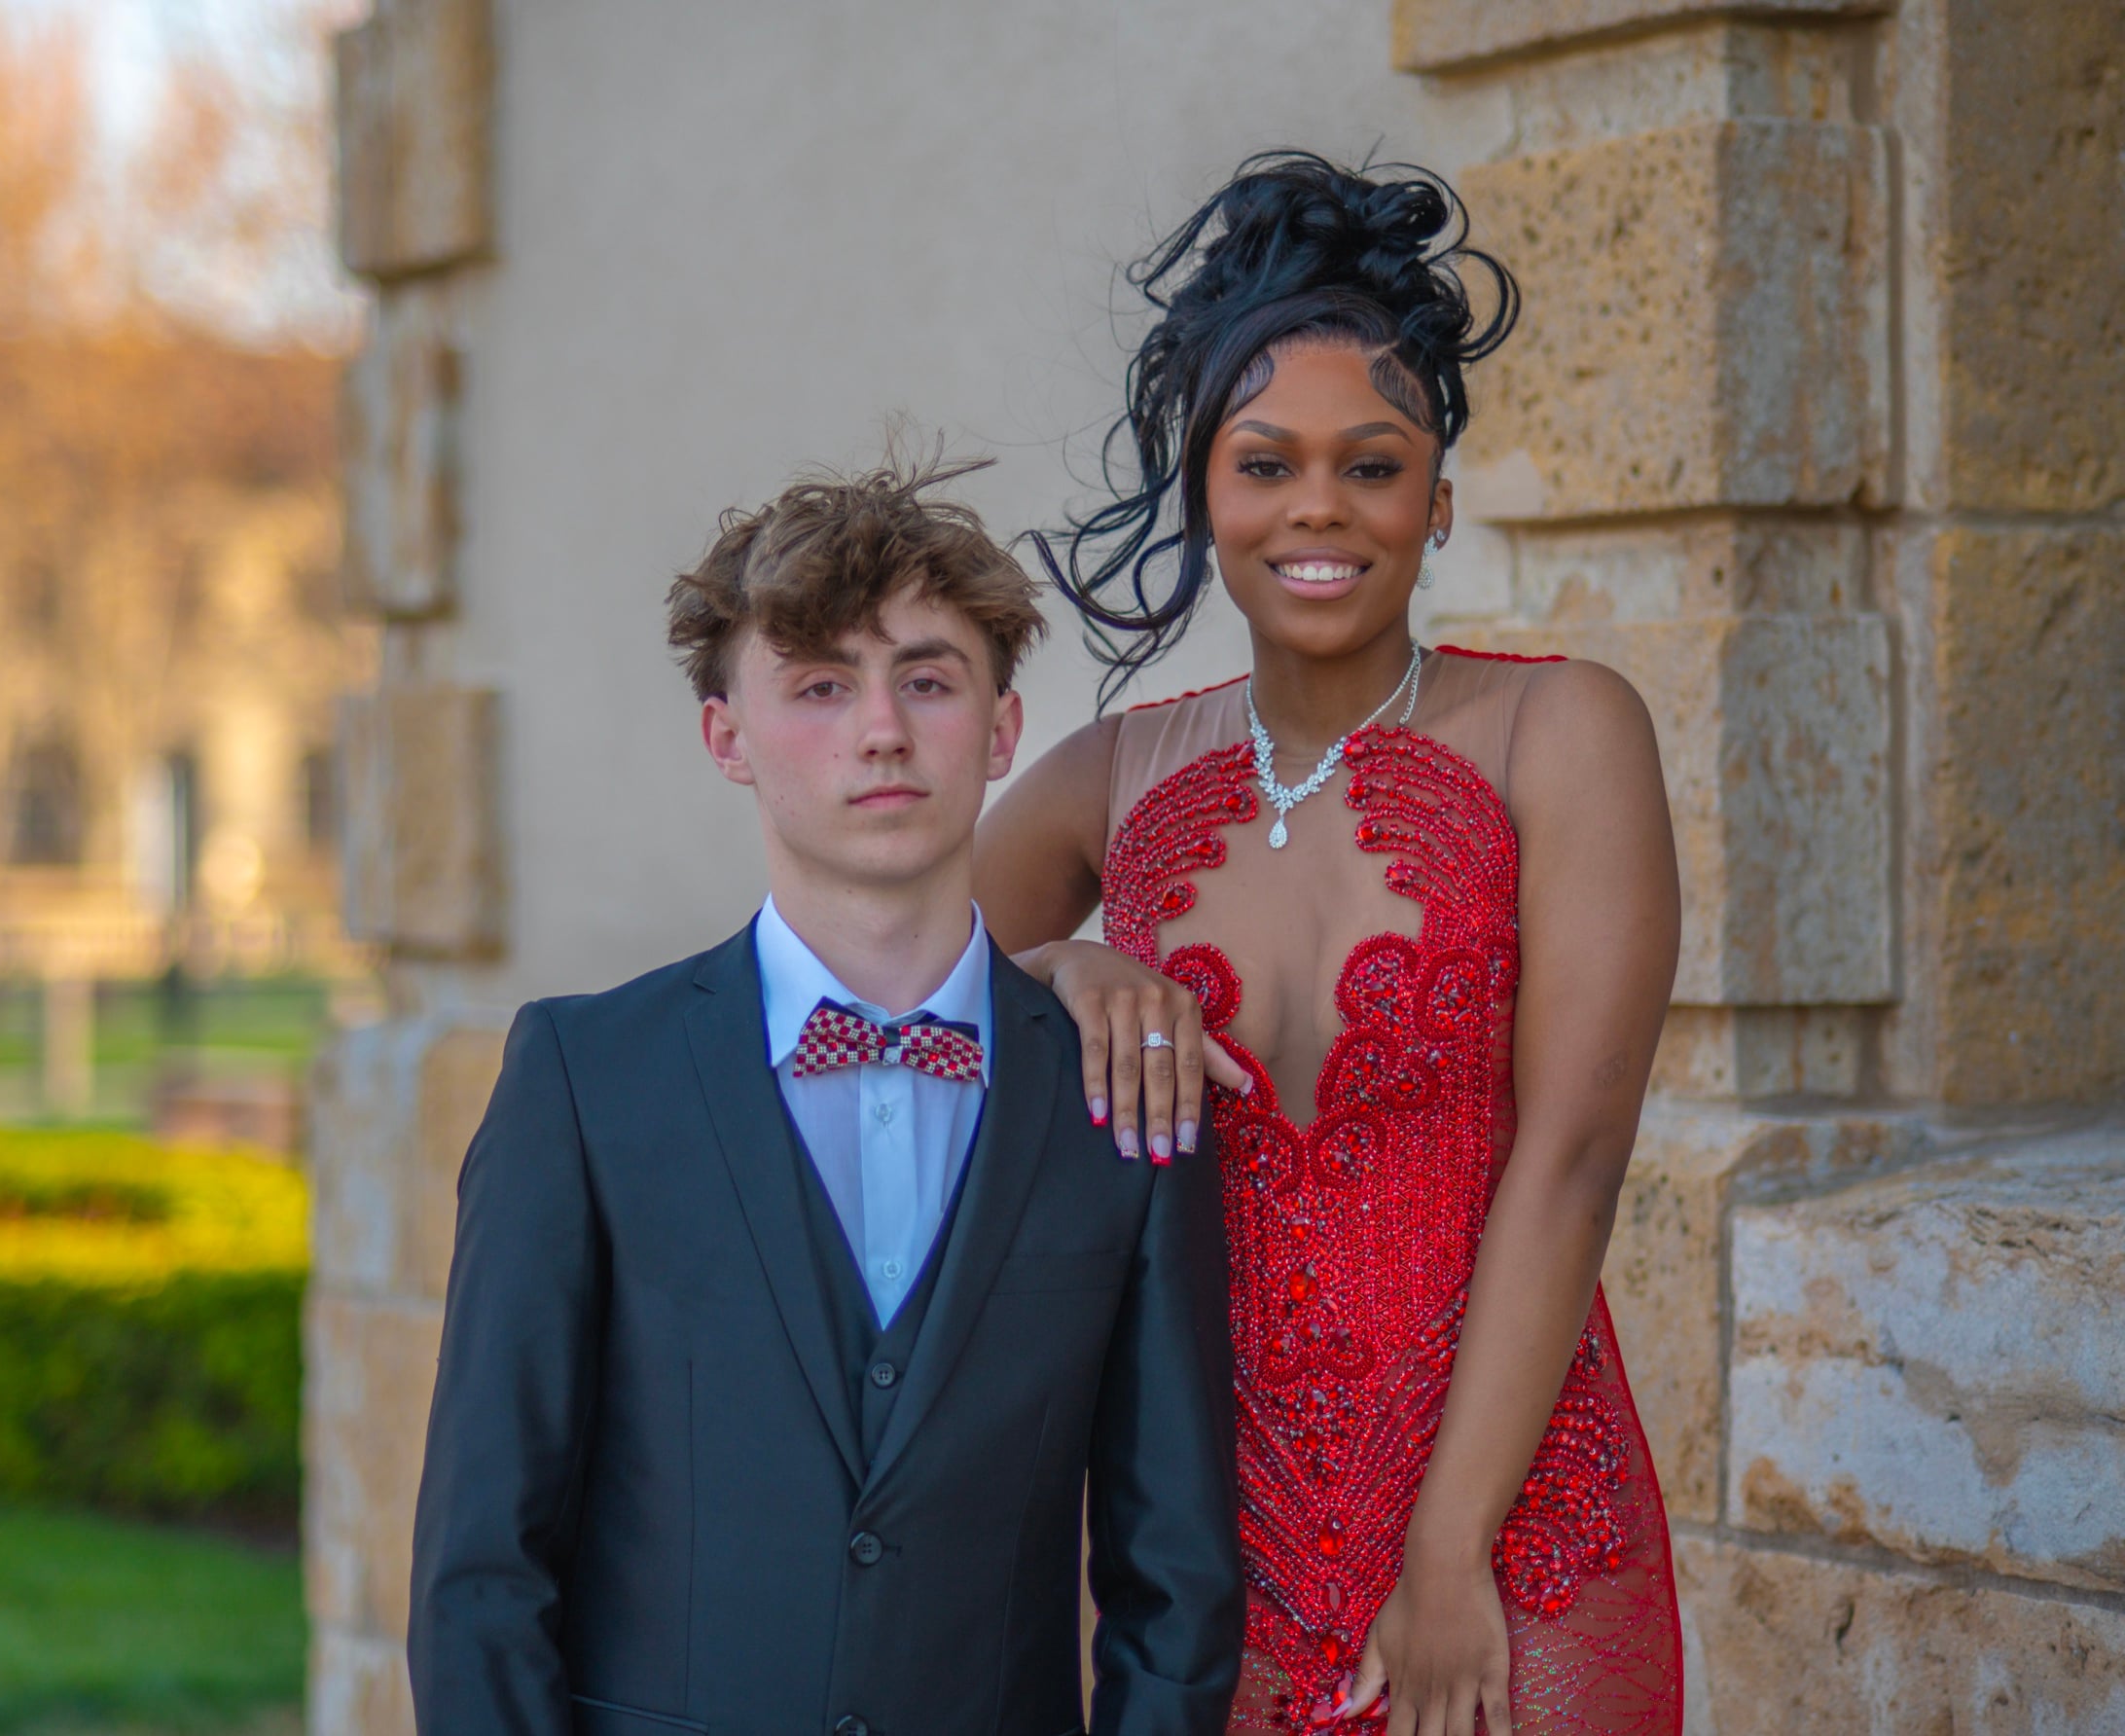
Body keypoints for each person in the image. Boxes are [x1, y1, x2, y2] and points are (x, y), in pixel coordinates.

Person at [976, 154, 1685, 1734]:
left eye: (1372, 465)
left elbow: (1572, 1159)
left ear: (1437, 500)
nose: (1318, 508)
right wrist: (1052, 969)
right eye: (1265, 462)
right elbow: (878, 1004)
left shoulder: (1559, 732)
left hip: (1517, 1537)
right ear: (1204, 491)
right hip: (1200, 1545)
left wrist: (1447, 1554)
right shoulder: (1112, 780)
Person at [408, 453, 1244, 1736]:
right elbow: (480, 1576)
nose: (881, 730)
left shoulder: (1123, 1098)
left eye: (927, 679)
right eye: (817, 685)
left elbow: (1173, 1585)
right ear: (725, 736)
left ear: (1004, 728)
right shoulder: (583, 1085)